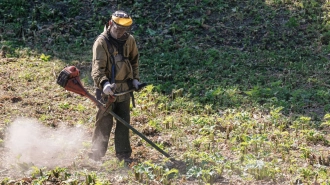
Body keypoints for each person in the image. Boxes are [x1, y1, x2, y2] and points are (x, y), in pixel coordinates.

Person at [89, 10, 141, 163]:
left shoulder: (129, 40)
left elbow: (134, 61)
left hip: (124, 90)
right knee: (104, 122)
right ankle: (96, 155)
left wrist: (135, 80)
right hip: (107, 92)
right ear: (111, 24)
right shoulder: (101, 42)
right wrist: (104, 84)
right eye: (118, 29)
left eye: (124, 30)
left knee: (124, 122)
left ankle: (124, 155)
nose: (120, 33)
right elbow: (97, 68)